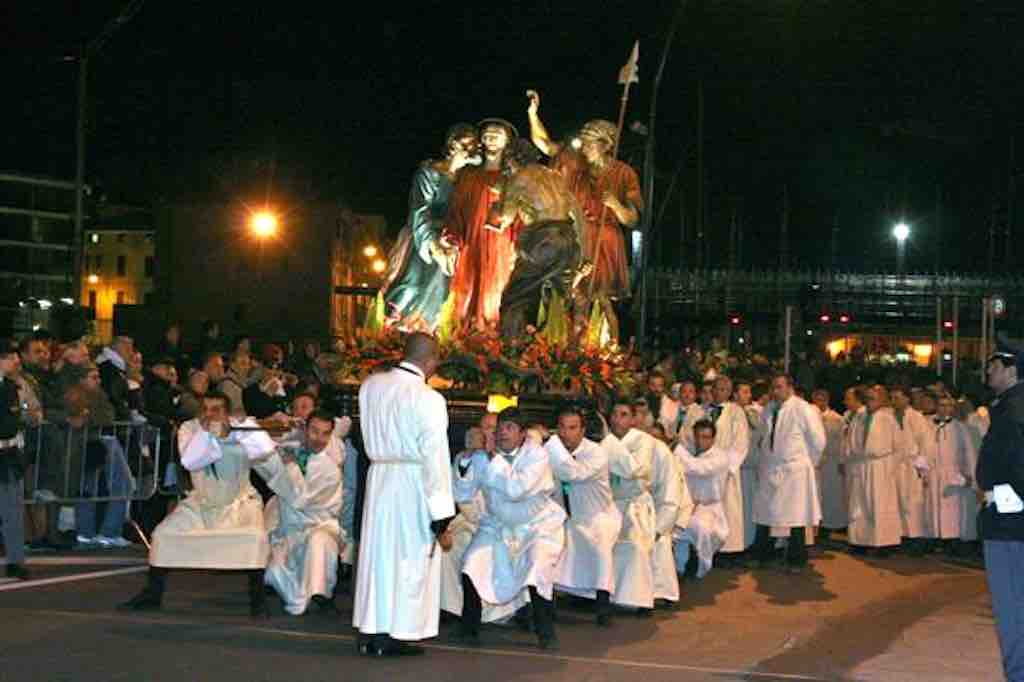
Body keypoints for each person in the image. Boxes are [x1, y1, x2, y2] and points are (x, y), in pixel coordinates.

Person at [120, 392, 276, 616]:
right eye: (206, 409)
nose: (210, 414)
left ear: (227, 412)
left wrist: (238, 429)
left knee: (254, 537)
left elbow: (264, 450)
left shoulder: (242, 428)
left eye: (217, 409)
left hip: (239, 501)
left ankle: (258, 598)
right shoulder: (189, 429)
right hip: (201, 501)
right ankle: (152, 594)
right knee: (163, 534)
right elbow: (191, 460)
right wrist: (209, 434)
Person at [354, 333, 455, 657]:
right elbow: (435, 456)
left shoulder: (370, 385)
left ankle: (372, 629)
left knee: (378, 555)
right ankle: (395, 633)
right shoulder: (429, 399)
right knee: (408, 558)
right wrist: (441, 512)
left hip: (379, 476)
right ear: (432, 361)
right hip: (412, 482)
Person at [527, 91, 641, 340]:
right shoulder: (574, 162)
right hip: (575, 237)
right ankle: (570, 346)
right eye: (584, 141)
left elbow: (632, 219)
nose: (584, 146)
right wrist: (532, 114)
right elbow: (545, 144)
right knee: (573, 294)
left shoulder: (624, 173)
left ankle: (606, 350)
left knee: (600, 299)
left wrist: (616, 206)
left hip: (604, 239)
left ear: (606, 145)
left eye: (591, 143)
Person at [451, 407, 566, 650]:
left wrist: (493, 459)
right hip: (498, 525)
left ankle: (545, 632)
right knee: (472, 564)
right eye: (498, 427)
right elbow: (463, 493)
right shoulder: (482, 457)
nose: (502, 432)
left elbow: (516, 490)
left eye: (509, 427)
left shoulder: (536, 454)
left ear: (523, 433)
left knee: (536, 569)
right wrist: (466, 460)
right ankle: (468, 628)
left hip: (536, 526)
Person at [383, 124, 479, 332]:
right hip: (425, 237)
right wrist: (433, 246)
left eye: (473, 143)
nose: (468, 147)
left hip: (457, 241)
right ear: (451, 143)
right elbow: (419, 211)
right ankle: (400, 331)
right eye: (464, 141)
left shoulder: (469, 179)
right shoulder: (430, 172)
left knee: (448, 292)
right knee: (415, 284)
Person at [492, 139, 582, 339]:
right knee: (556, 296)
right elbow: (578, 214)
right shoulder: (556, 177)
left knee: (516, 295)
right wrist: (584, 252)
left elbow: (504, 218)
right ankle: (552, 349)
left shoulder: (519, 177)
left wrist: (498, 200)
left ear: (511, 161)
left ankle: (511, 344)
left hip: (543, 239)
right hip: (568, 237)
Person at [257, 410, 343, 616]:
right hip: (289, 531)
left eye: (325, 434)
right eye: (314, 431)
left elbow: (300, 499)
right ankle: (300, 596)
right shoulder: (292, 451)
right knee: (273, 571)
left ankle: (320, 595)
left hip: (318, 526)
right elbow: (261, 462)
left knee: (318, 542)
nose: (319, 439)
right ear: (305, 429)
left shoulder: (330, 469)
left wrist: (289, 465)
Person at [440, 427, 526, 624]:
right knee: (449, 547)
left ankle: (510, 610)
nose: (488, 434)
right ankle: (454, 607)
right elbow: (461, 494)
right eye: (484, 429)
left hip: (507, 522)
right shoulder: (466, 458)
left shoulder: (513, 458)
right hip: (471, 520)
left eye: (493, 429)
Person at [546, 404, 622, 626]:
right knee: (548, 548)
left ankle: (603, 606)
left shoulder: (596, 453)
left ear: (582, 430)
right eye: (561, 427)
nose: (565, 433)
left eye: (572, 428)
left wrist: (550, 444)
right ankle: (546, 605)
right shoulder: (554, 451)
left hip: (599, 515)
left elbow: (573, 473)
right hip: (568, 515)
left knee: (600, 549)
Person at [976, 340, 1024, 681]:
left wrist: (1011, 500)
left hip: (1010, 523)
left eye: (994, 365)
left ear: (1011, 369)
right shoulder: (1009, 406)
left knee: (1012, 609)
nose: (989, 371)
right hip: (1011, 518)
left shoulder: (1014, 409)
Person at [444, 119, 518, 331]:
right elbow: (457, 209)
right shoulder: (468, 175)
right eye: (487, 133)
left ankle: (492, 340)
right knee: (466, 290)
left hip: (501, 244)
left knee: (496, 293)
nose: (491, 137)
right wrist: (452, 238)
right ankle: (461, 338)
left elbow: (521, 213)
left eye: (498, 134)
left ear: (507, 141)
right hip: (470, 241)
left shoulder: (513, 177)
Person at [750, 375, 826, 573]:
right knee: (766, 513)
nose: (775, 391)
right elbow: (764, 438)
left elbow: (818, 441)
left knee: (796, 517)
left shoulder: (803, 408)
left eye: (779, 387)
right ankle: (763, 555)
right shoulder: (769, 409)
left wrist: (807, 463)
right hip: (771, 468)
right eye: (773, 388)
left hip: (794, 471)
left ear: (790, 387)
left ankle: (796, 560)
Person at [601, 398, 657, 615]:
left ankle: (641, 600)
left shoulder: (644, 440)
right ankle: (607, 596)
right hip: (612, 503)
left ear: (634, 419)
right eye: (614, 414)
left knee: (636, 548)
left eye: (624, 414)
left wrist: (611, 444)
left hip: (635, 505)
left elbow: (634, 469)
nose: (617, 419)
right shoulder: (605, 442)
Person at [842, 385, 902, 555]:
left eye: (873, 398)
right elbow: (850, 442)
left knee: (879, 505)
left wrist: (890, 468)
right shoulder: (859, 417)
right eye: (867, 398)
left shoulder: (888, 418)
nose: (869, 402)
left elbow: (899, 447)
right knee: (858, 505)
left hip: (880, 467)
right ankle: (859, 541)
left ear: (882, 400)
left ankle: (883, 544)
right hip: (861, 465)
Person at [674, 419, 731, 579]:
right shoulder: (691, 452)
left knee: (700, 529)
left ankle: (702, 567)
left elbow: (698, 468)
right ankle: (680, 567)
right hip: (690, 505)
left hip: (710, 508)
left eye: (706, 437)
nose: (701, 441)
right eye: (699, 436)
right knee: (678, 529)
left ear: (713, 439)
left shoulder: (720, 457)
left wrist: (677, 449)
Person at [921, 394, 979, 553]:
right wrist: (923, 472)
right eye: (941, 405)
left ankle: (952, 541)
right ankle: (935, 538)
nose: (945, 409)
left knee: (951, 510)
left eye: (948, 406)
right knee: (933, 507)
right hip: (933, 473)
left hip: (953, 473)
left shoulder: (960, 428)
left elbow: (968, 453)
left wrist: (970, 475)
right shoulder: (926, 425)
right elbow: (922, 450)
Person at [703, 375, 751, 562]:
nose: (719, 392)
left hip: (725, 470)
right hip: (706, 469)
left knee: (728, 509)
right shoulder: (704, 411)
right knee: (708, 511)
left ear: (729, 392)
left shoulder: (735, 412)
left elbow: (740, 442)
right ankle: (709, 548)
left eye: (723, 389)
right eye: (716, 388)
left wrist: (729, 467)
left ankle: (728, 551)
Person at [889, 385, 931, 554]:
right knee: (896, 503)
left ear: (907, 399)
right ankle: (901, 538)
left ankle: (916, 540)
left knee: (912, 505)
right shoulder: (889, 416)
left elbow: (926, 444)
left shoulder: (916, 417)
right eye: (892, 398)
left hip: (911, 467)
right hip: (895, 466)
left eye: (897, 398)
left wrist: (921, 469)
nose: (894, 401)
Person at [0, 340, 29, 580]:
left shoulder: (11, 386)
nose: (16, 360)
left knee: (12, 510)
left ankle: (15, 560)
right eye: (11, 356)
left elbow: (14, 422)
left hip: (8, 453)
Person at [650, 432, 689, 608]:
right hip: (642, 513)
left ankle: (663, 593)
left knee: (660, 546)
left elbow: (674, 498)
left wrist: (660, 527)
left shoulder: (670, 462)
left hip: (664, 516)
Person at [811, 388, 847, 543]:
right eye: (816, 399)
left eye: (822, 399)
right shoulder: (810, 416)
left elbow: (840, 442)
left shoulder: (836, 419)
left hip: (831, 463)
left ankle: (828, 528)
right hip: (816, 464)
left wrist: (840, 460)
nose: (819, 403)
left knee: (830, 496)